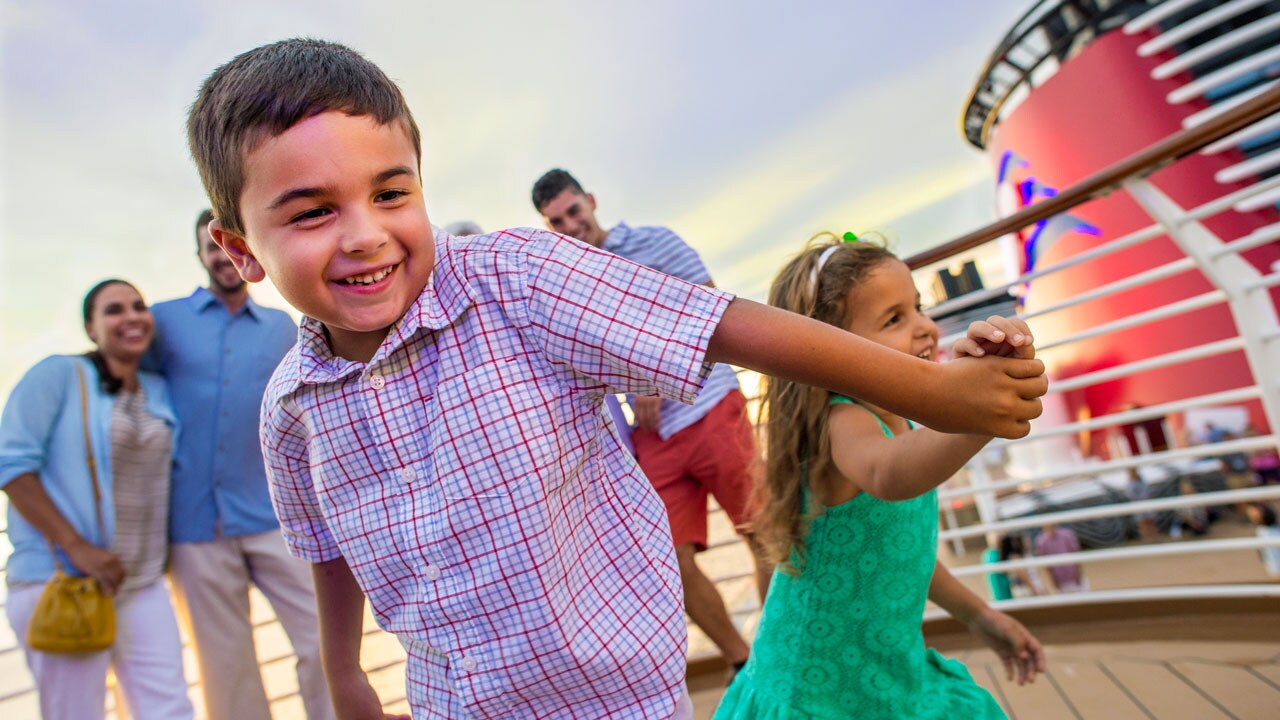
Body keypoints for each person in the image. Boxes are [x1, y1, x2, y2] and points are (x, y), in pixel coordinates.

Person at [185, 39, 1047, 718]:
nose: (365, 234)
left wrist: (926, 392)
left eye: (390, 193)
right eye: (314, 211)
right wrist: (344, 673)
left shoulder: (515, 279)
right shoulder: (291, 411)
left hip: (619, 696)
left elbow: (720, 323)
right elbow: (328, 550)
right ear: (240, 251)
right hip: (459, 702)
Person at [714, 234, 1044, 719]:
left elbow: (904, 553)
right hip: (814, 692)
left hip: (885, 676)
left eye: (918, 307)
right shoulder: (840, 422)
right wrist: (980, 416)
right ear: (833, 352)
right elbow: (889, 474)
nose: (924, 327)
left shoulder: (903, 423)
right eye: (894, 319)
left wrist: (980, 615)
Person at [532, 168, 770, 671]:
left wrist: (652, 379)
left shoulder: (655, 243)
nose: (571, 226)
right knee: (669, 563)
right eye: (557, 221)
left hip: (710, 405)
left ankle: (776, 655)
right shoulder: (565, 284)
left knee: (762, 531)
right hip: (651, 435)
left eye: (574, 211)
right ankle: (743, 664)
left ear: (591, 200)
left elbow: (716, 320)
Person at [145, 211, 333, 720]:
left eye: (231, 246)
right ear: (201, 254)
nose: (222, 257)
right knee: (225, 667)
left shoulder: (281, 327)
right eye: (212, 247)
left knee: (322, 641)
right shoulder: (162, 322)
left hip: (275, 516)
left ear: (247, 249)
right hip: (194, 526)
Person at [0, 280, 194, 719]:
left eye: (138, 306)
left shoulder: (156, 389)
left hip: (140, 581)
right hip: (66, 582)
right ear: (91, 328)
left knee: (170, 709)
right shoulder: (60, 375)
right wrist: (78, 548)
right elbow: (10, 464)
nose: (130, 316)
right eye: (113, 310)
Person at [1034, 523, 1085, 593]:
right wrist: (1053, 580)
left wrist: (1079, 573)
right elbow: (1046, 564)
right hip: (1060, 581)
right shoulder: (1041, 541)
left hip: (1074, 576)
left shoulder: (1067, 534)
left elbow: (1076, 552)